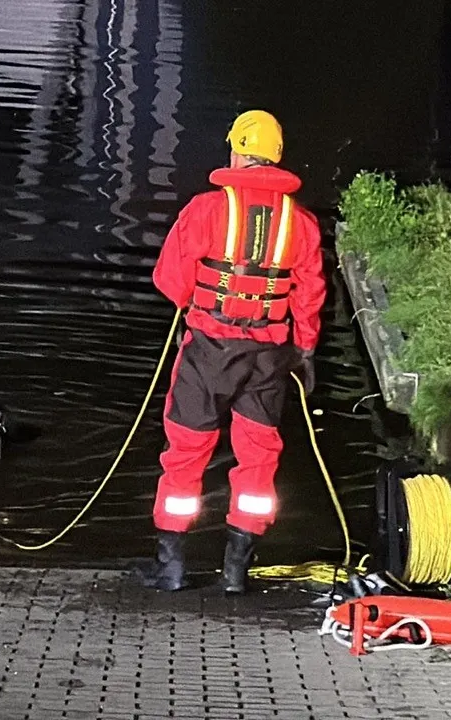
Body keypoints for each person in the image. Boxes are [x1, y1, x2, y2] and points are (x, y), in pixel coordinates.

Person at [138, 110, 327, 594]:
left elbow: (170, 280)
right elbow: (309, 296)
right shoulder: (301, 223)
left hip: (209, 351)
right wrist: (304, 350)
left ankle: (171, 566)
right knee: (259, 458)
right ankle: (236, 572)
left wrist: (202, 303)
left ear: (238, 151)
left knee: (185, 452)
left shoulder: (206, 210)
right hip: (269, 358)